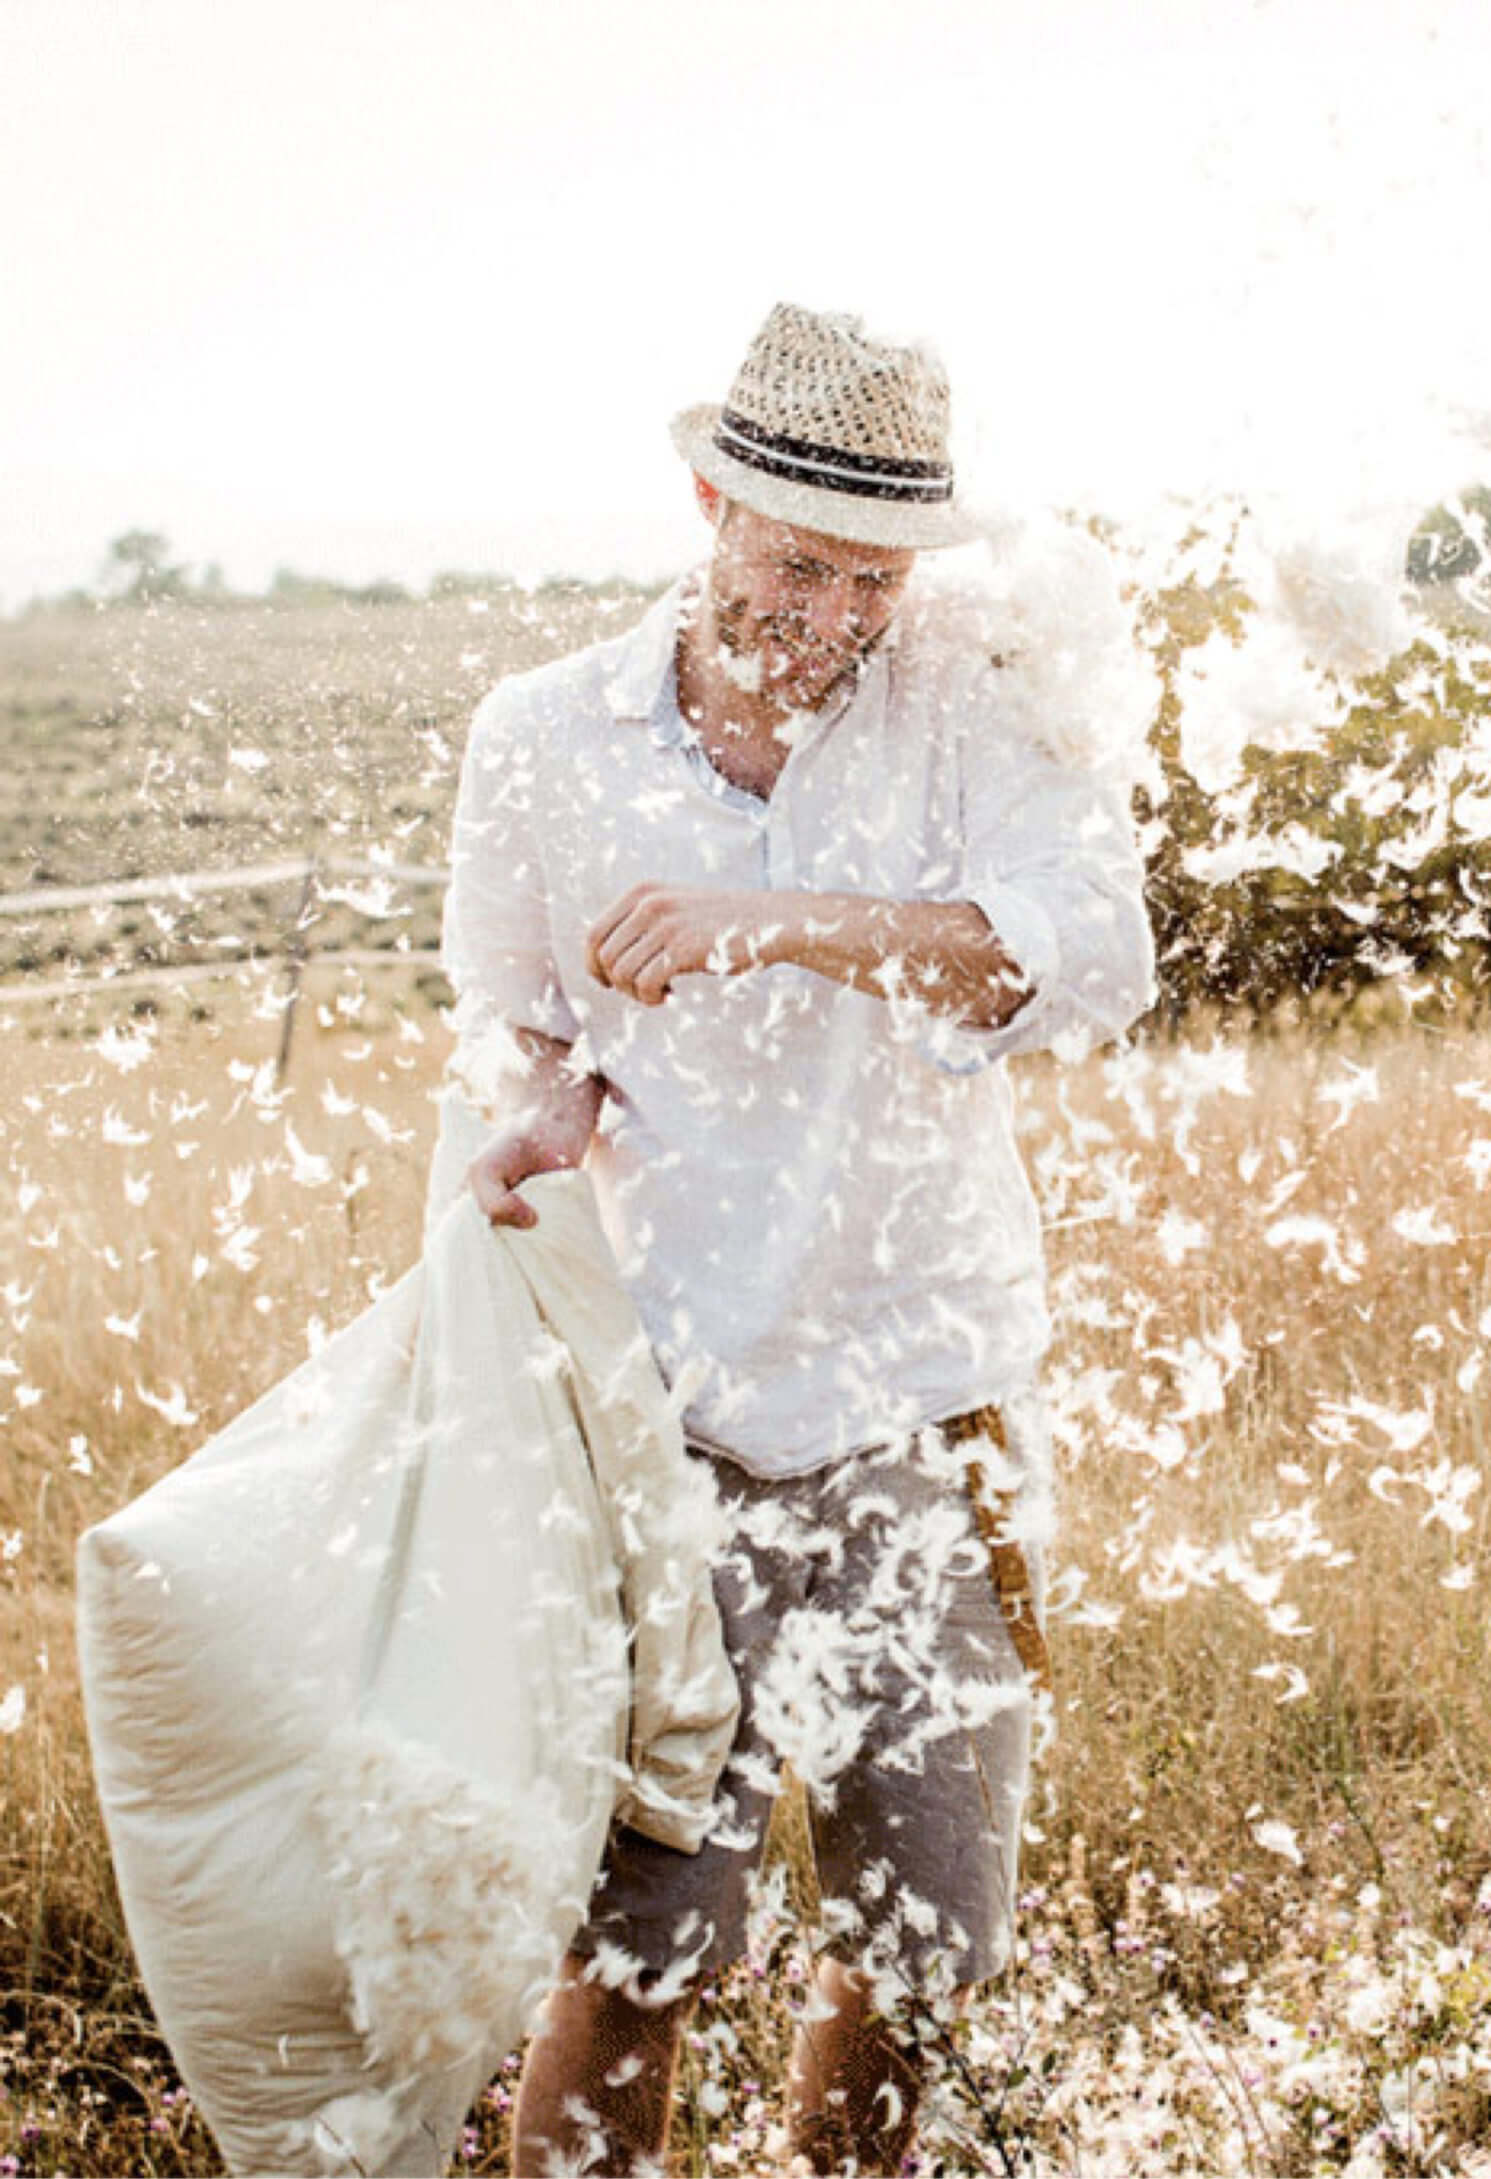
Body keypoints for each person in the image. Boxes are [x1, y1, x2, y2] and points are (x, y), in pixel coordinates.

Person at [439, 304, 1155, 2176]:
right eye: (796, 568)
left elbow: (1083, 961)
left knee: (916, 1953)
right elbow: (519, 1013)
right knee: (639, 1947)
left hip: (936, 1403)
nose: (833, 619)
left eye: (873, 581)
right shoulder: (538, 740)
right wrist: (546, 1108)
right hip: (670, 1420)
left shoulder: (983, 701)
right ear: (704, 502)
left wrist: (782, 921)